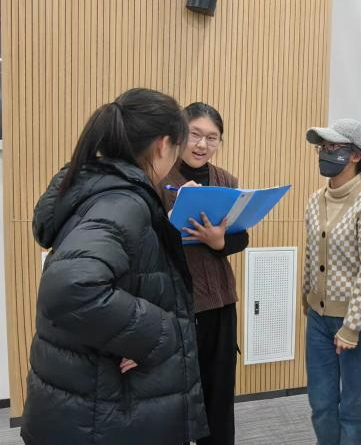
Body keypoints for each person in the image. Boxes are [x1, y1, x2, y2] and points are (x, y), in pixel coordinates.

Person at [21, 88, 208, 445]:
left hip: (87, 407)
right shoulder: (121, 202)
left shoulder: (99, 188)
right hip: (105, 415)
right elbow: (71, 287)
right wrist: (157, 333)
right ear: (163, 145)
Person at [161, 102, 248, 445]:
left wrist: (219, 241)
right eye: (195, 134)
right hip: (177, 306)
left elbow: (241, 237)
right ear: (178, 135)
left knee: (219, 399)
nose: (202, 145)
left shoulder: (226, 181)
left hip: (221, 302)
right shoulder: (160, 179)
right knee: (176, 400)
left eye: (212, 138)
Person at [303, 118, 361, 445]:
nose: (324, 152)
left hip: (358, 323)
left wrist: (352, 326)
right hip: (318, 319)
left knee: (355, 409)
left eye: (333, 147)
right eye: (322, 147)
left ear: (355, 155)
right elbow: (311, 255)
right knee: (321, 405)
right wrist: (306, 298)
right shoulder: (316, 199)